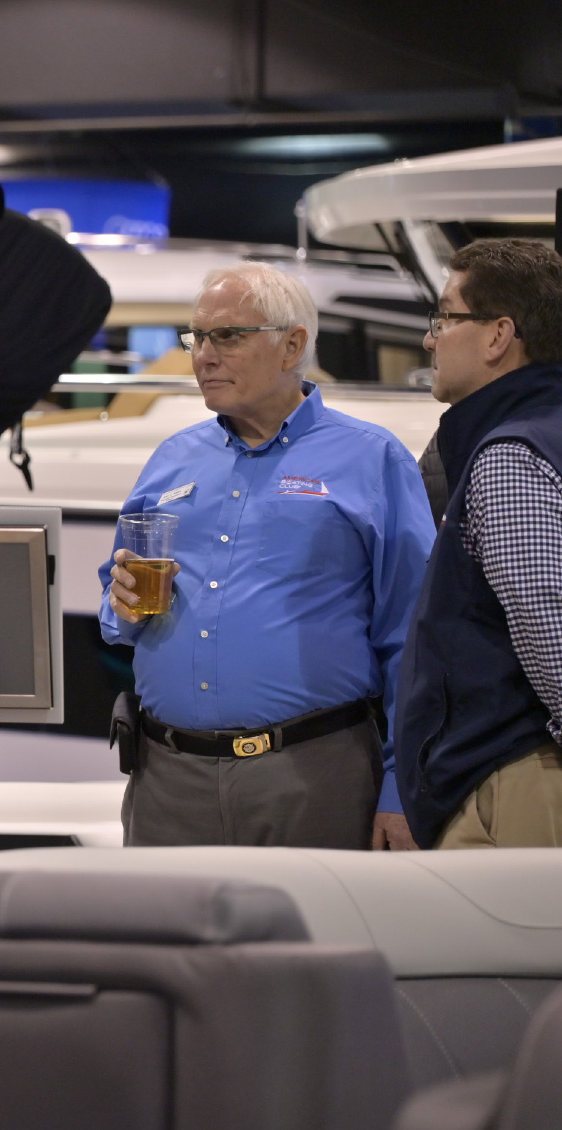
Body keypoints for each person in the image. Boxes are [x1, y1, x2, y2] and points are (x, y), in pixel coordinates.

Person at [100, 261, 435, 850]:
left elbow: (415, 640)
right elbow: (117, 594)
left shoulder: (372, 460)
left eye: (227, 336)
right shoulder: (172, 458)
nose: (202, 355)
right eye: (197, 337)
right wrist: (120, 604)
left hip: (312, 776)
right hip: (166, 779)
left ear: (292, 345)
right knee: (162, 941)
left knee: (315, 941)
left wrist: (400, 789)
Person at [396, 239, 562, 849]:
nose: (430, 339)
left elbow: (551, 632)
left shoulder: (511, 458)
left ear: (498, 336)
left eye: (445, 317)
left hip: (522, 782)